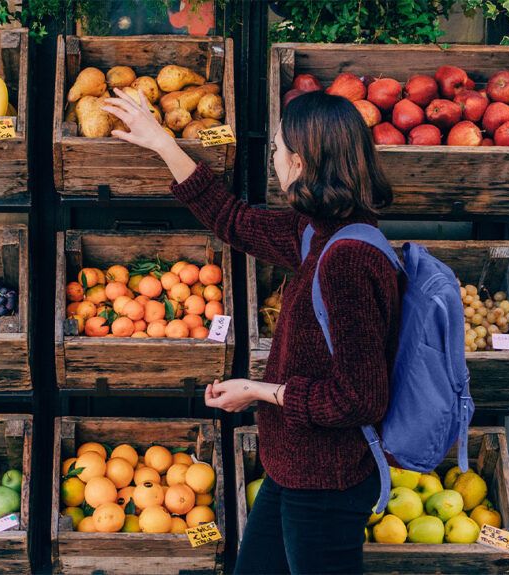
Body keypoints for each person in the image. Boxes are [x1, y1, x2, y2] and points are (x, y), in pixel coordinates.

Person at [102, 89, 401, 574]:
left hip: (327, 480)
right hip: (294, 466)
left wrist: (259, 391)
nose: (275, 161)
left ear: (300, 163)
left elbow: (360, 399)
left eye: (278, 151)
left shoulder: (347, 259)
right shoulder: (317, 232)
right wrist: (162, 143)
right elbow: (232, 220)